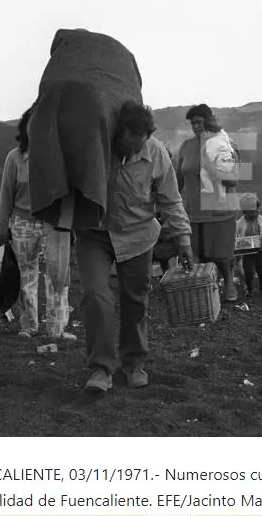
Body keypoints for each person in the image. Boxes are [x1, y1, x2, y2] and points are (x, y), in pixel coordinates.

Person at [75, 102, 193, 393]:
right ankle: (101, 368)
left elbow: (170, 199)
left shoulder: (156, 153)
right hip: (95, 233)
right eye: (126, 146)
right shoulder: (95, 147)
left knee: (136, 300)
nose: (131, 153)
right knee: (95, 297)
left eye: (138, 146)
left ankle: (133, 363)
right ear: (117, 134)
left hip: (138, 234)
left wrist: (183, 238)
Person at [0, 107, 75, 341]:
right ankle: (29, 326)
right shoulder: (15, 158)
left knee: (58, 276)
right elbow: (5, 195)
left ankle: (57, 329)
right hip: (22, 223)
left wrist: (70, 225)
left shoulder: (60, 157)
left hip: (54, 223)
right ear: (25, 128)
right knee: (26, 276)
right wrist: (2, 228)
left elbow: (69, 193)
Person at [176, 104, 239, 302]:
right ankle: (203, 290)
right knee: (196, 256)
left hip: (219, 211)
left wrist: (207, 162)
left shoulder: (224, 144)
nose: (196, 126)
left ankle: (228, 283)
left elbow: (232, 179)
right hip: (193, 210)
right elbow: (178, 178)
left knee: (221, 255)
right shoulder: (186, 146)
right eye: (192, 123)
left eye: (199, 122)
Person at [235, 193, 262, 297]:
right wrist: (239, 244)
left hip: (260, 251)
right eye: (253, 211)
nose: (256, 213)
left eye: (257, 210)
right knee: (249, 271)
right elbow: (236, 236)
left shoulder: (261, 220)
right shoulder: (239, 223)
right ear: (245, 211)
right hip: (248, 252)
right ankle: (249, 288)